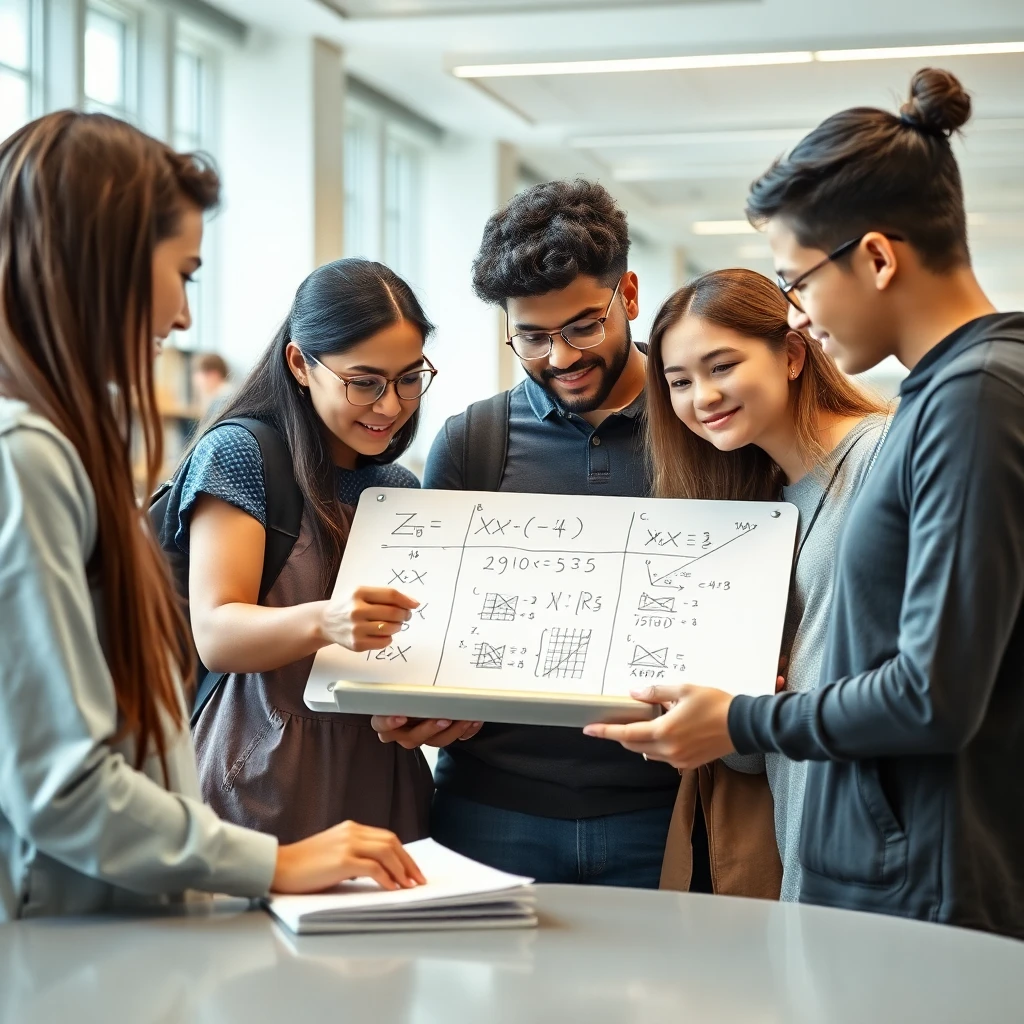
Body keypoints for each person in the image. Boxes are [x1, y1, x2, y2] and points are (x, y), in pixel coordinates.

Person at [585, 68, 1024, 939]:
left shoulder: (973, 398)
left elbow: (933, 694)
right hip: (882, 869)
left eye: (799, 282)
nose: (799, 316)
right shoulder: (948, 394)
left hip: (921, 890)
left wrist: (741, 718)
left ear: (877, 257)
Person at [0, 112, 424, 921]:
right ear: (108, 264)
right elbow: (65, 783)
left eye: (409, 379)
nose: (184, 319)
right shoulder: (27, 458)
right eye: (184, 273)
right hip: (77, 922)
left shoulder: (51, 446)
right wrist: (273, 861)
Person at [373, 180, 681, 888]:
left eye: (583, 327)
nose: (561, 357)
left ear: (629, 295)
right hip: (490, 813)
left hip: (664, 811)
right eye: (533, 338)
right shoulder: (472, 442)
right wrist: (406, 703)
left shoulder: (700, 425)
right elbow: (428, 630)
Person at [162, 258, 439, 844]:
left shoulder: (397, 487)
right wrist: (328, 621)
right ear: (299, 364)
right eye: (364, 382)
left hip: (383, 777)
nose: (390, 406)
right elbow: (217, 633)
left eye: (409, 379)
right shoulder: (242, 454)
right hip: (260, 778)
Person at [641, 267, 889, 900]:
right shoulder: (757, 510)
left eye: (722, 366)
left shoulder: (884, 460)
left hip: (890, 856)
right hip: (806, 849)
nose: (702, 397)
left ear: (793, 355)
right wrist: (728, 703)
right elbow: (749, 753)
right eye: (679, 381)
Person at [191, 352, 232, 418]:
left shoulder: (222, 400)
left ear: (214, 374)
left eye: (200, 374)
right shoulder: (226, 394)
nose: (197, 381)